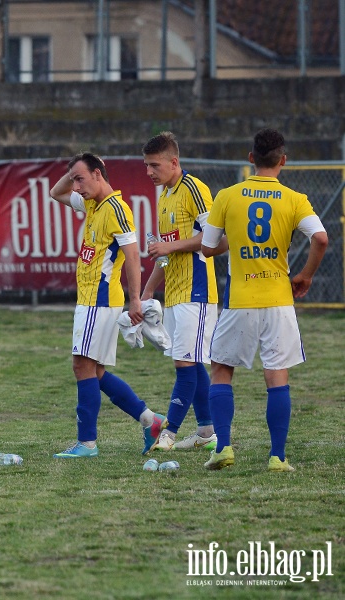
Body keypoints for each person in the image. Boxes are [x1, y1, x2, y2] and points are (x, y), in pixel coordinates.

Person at [201, 129, 327, 472]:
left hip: (240, 298)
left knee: (222, 370)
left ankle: (224, 448)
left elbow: (209, 248)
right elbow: (320, 238)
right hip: (278, 299)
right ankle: (277, 457)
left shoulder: (227, 196)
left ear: (251, 158)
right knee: (277, 375)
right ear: (283, 161)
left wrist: (234, 236)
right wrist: (306, 275)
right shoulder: (294, 198)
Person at [49, 153, 167, 458]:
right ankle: (150, 421)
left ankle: (86, 443)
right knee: (94, 371)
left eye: (81, 178)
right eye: (74, 179)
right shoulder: (91, 202)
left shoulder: (116, 208)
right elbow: (55, 193)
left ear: (98, 174)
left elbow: (132, 254)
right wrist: (73, 169)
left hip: (99, 300)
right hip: (90, 299)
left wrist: (136, 299)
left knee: (81, 366)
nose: (75, 186)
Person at [141, 132, 224, 452]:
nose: (149, 172)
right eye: (146, 165)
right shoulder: (164, 195)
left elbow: (213, 238)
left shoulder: (194, 188)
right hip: (175, 293)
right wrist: (149, 290)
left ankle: (169, 433)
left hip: (197, 291)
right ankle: (206, 433)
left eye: (155, 165)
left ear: (174, 162)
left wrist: (169, 245)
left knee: (184, 364)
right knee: (192, 362)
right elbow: (165, 254)